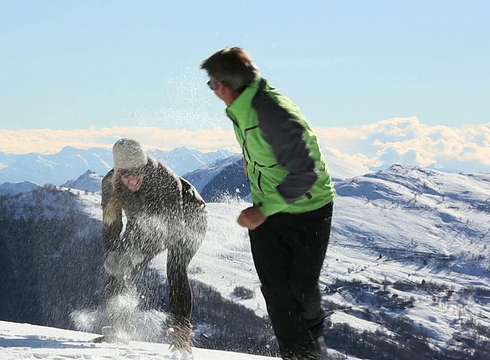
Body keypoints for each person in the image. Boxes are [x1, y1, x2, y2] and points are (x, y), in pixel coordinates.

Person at [201, 47, 335, 360]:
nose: (213, 92)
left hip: (309, 210)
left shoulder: (273, 113)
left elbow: (306, 174)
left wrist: (261, 210)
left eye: (212, 85)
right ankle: (301, 355)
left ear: (224, 86)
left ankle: (313, 333)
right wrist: (252, 165)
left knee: (301, 291)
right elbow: (265, 149)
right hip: (270, 208)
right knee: (277, 294)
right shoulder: (243, 109)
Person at [100, 138, 207, 353]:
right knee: (118, 268)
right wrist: (112, 254)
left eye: (137, 173)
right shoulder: (110, 183)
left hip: (188, 218)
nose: (132, 181)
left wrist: (141, 249)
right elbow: (112, 225)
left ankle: (181, 335)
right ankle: (119, 329)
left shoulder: (165, 179)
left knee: (176, 267)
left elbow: (174, 231)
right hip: (141, 222)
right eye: (126, 175)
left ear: (146, 167)